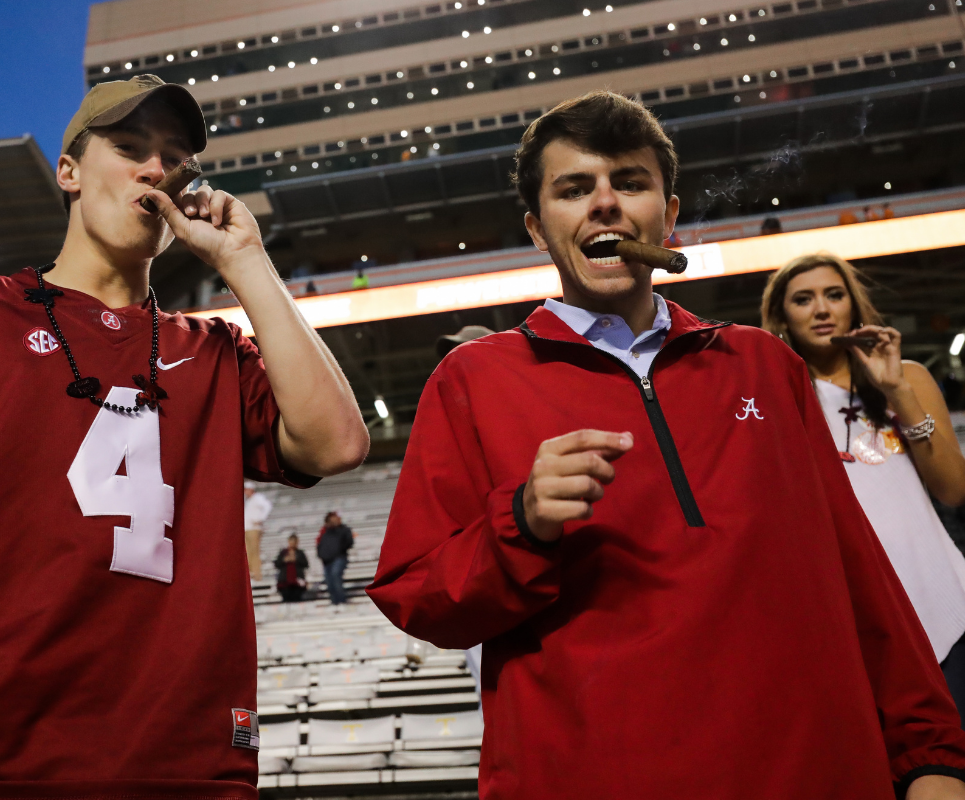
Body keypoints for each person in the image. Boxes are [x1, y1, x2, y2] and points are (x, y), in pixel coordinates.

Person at [0, 74, 368, 800]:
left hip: (178, 768)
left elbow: (335, 443)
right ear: (70, 171)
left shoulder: (213, 351)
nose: (156, 168)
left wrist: (247, 262)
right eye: (129, 146)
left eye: (175, 157)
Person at [367, 90, 965, 799]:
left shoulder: (764, 364)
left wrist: (933, 757)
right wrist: (521, 521)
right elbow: (418, 597)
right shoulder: (470, 380)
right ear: (537, 226)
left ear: (668, 216)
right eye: (573, 188)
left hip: (818, 771)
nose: (605, 204)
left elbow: (859, 574)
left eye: (630, 182)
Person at [761, 252, 965, 711]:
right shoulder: (773, 397)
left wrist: (897, 392)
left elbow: (953, 489)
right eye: (803, 299)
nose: (821, 309)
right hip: (854, 616)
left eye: (834, 295)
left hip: (943, 597)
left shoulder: (906, 377)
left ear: (853, 305)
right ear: (781, 317)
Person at [316, 511, 353, 605]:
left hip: (339, 557)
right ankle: (334, 601)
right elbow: (320, 543)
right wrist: (321, 554)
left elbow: (349, 542)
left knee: (335, 575)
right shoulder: (325, 531)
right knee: (329, 580)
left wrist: (339, 549)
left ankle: (341, 600)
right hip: (327, 560)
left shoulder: (344, 529)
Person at [244, 480, 273, 581]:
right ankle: (251, 573)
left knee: (254, 552)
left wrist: (260, 519)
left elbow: (268, 506)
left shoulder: (258, 498)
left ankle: (257, 575)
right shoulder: (249, 500)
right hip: (248, 529)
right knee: (248, 552)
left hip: (254, 529)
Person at [273, 533, 309, 602]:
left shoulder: (300, 553)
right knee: (286, 599)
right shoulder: (283, 552)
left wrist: (296, 559)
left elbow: (306, 564)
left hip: (298, 582)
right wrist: (284, 560)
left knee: (297, 599)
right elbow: (277, 564)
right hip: (285, 582)